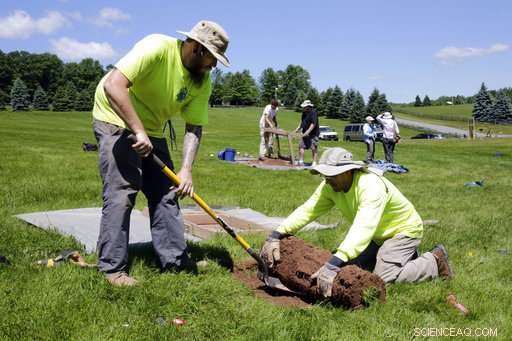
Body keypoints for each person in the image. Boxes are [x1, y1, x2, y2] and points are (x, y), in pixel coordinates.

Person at [92, 20, 230, 286]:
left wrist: (186, 170)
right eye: (213, 59)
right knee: (122, 192)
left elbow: (194, 126)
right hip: (114, 115)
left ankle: (175, 261)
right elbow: (113, 85)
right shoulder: (156, 47)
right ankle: (112, 270)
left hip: (151, 127)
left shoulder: (202, 81)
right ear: (198, 49)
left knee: (167, 190)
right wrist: (137, 130)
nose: (213, 66)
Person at [261, 147, 452, 298]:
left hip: (402, 231)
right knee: (348, 266)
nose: (327, 181)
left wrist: (334, 263)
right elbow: (308, 209)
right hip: (377, 235)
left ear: (349, 171)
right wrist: (277, 234)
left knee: (382, 279)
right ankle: (404, 259)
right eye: (324, 176)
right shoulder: (331, 185)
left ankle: (434, 261)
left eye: (331, 176)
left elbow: (363, 227)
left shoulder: (370, 186)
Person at [295, 100, 319, 166]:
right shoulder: (304, 113)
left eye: (304, 107)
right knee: (301, 146)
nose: (303, 108)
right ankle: (301, 161)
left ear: (308, 106)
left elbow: (313, 124)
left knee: (313, 148)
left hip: (313, 133)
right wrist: (297, 129)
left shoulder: (314, 112)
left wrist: (307, 132)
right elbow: (301, 122)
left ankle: (314, 162)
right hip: (304, 132)